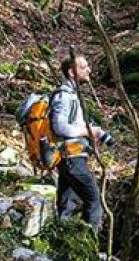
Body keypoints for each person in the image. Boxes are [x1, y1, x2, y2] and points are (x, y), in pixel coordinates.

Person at [49, 54, 114, 231]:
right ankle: (89, 247)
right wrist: (87, 131)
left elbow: (77, 123)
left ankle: (62, 243)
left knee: (66, 205)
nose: (89, 70)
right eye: (84, 67)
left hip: (70, 157)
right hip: (71, 157)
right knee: (94, 200)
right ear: (72, 72)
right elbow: (60, 127)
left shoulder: (72, 95)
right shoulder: (64, 96)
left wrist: (99, 134)